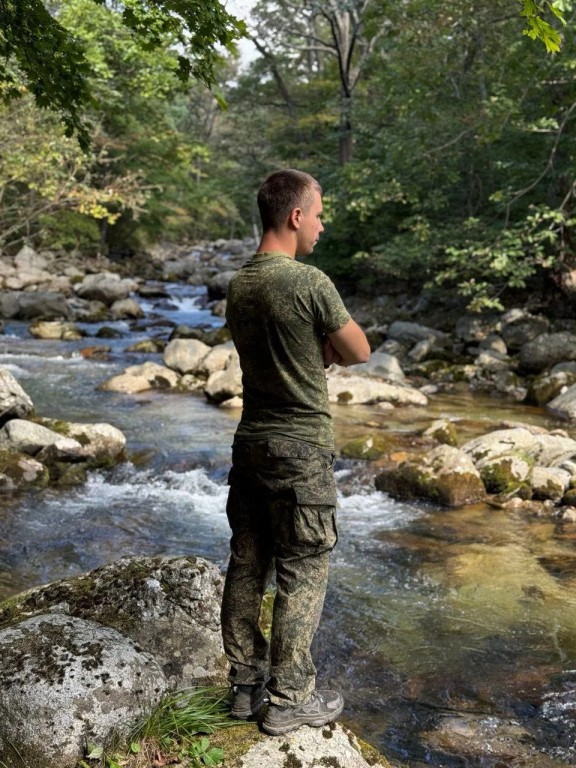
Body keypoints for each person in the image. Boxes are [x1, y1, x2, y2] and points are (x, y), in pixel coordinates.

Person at [221, 168, 370, 736]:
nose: (322, 226)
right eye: (319, 215)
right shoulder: (309, 282)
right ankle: (288, 698)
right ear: (296, 215)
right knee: (303, 569)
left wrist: (313, 349)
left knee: (247, 562)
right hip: (301, 448)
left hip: (251, 445)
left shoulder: (240, 284)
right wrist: (324, 348)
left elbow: (279, 348)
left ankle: (244, 688)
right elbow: (358, 350)